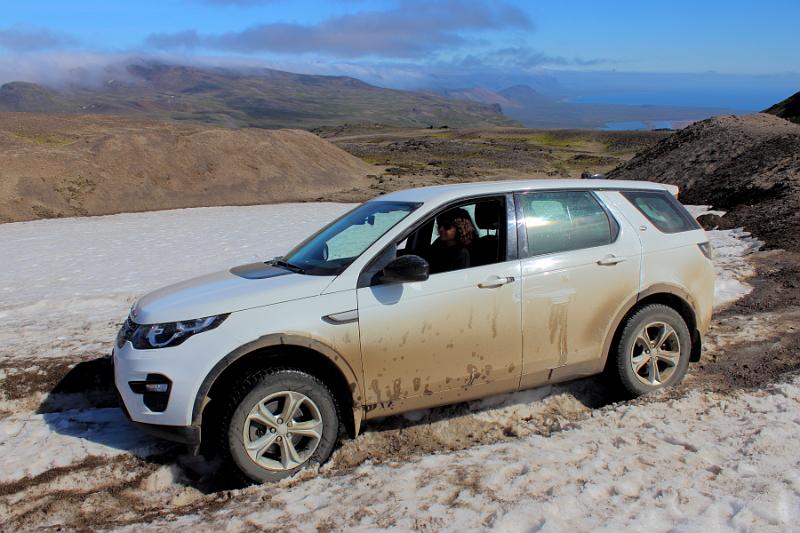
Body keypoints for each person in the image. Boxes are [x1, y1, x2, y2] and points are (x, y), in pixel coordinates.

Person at [427, 208, 477, 273]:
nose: (441, 229)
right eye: (439, 225)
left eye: (447, 226)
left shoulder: (463, 253)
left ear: (460, 228)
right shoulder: (438, 244)